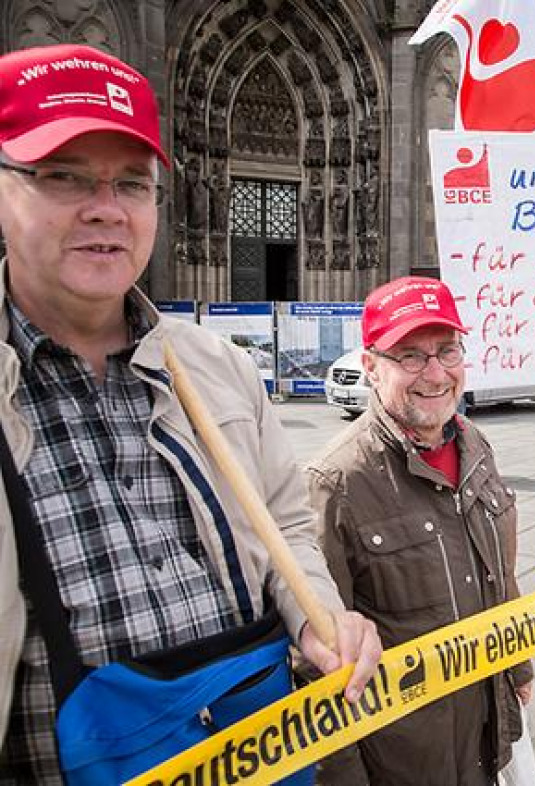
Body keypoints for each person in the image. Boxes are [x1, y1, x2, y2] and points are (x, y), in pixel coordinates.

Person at [0, 44, 381, 781]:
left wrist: (316, 616)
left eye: (132, 184)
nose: (105, 207)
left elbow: (288, 528)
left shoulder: (220, 368)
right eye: (64, 176)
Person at [309, 277, 534, 786]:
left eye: (447, 351)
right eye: (409, 355)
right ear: (370, 365)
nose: (435, 373)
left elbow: (500, 574)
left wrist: (518, 665)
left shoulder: (474, 443)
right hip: (406, 760)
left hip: (487, 734)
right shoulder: (336, 483)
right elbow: (316, 672)